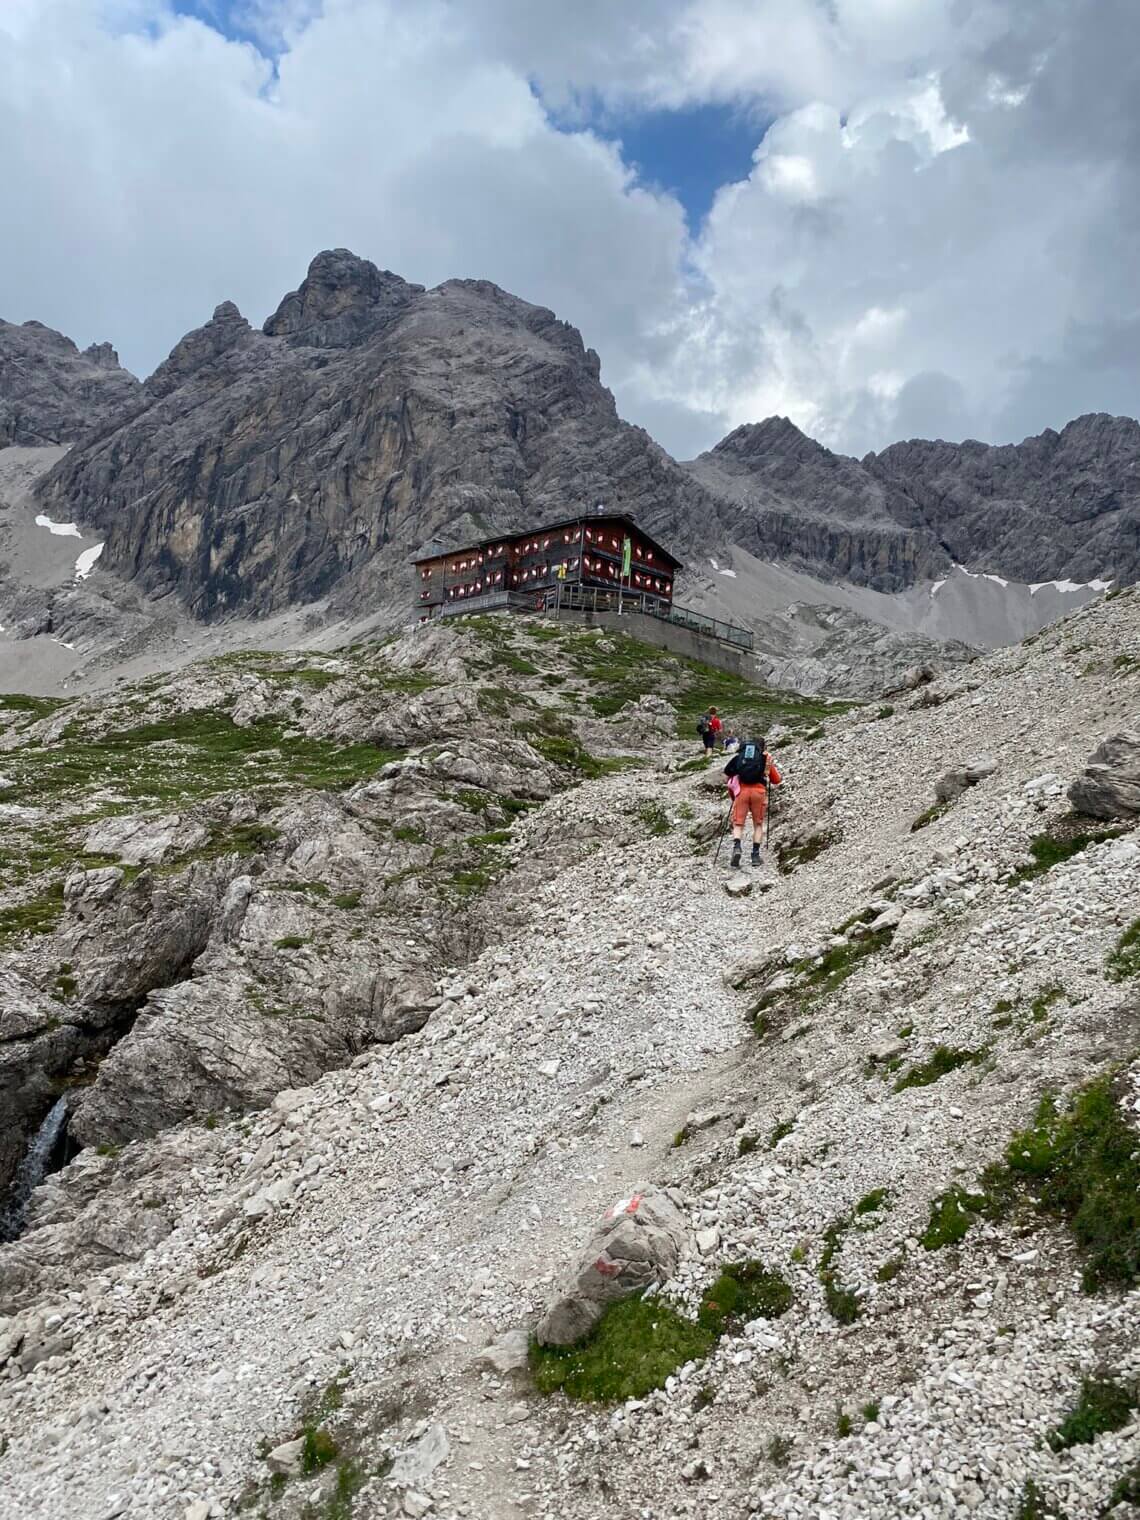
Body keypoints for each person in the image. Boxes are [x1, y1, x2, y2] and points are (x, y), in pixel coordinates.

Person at [723, 736, 781, 869]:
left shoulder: (740, 757)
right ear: (762, 747)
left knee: (738, 824)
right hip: (759, 793)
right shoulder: (765, 759)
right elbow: (776, 780)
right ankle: (755, 856)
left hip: (741, 793)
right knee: (758, 824)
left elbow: (727, 774)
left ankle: (737, 847)